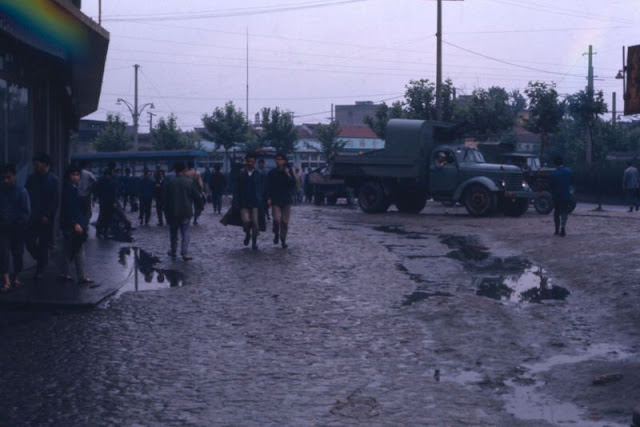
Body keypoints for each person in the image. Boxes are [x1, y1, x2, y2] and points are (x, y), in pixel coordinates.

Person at [25, 153, 59, 279]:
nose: (35, 166)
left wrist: (47, 215)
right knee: (29, 242)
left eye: (37, 163)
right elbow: (26, 196)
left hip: (46, 219)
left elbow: (54, 200)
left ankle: (40, 269)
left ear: (45, 164)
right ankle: (41, 260)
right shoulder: (31, 179)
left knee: (43, 244)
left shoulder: (53, 180)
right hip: (32, 216)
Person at [58, 164, 92, 284]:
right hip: (72, 224)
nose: (76, 177)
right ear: (68, 175)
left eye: (78, 175)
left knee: (69, 249)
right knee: (78, 250)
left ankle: (65, 273)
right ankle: (81, 276)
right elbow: (69, 208)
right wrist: (76, 223)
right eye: (74, 174)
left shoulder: (70, 187)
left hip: (70, 224)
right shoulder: (69, 189)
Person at [163, 161, 202, 261]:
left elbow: (165, 199)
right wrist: (200, 206)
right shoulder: (189, 182)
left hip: (173, 212)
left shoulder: (170, 183)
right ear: (184, 170)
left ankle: (173, 250)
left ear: (175, 170)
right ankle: (184, 252)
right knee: (185, 232)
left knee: (173, 232)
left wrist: (166, 212)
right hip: (186, 212)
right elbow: (197, 196)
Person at [0, 164, 30, 291]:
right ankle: (6, 280)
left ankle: (16, 277)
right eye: (3, 178)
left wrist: (19, 223)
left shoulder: (21, 191)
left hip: (17, 228)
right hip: (3, 228)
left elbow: (26, 211)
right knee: (3, 254)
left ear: (14, 176)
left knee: (17, 254)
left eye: (8, 177)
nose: (5, 180)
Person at [233, 152, 264, 250]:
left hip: (255, 202)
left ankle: (254, 242)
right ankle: (247, 233)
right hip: (243, 202)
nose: (250, 163)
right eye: (248, 161)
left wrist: (262, 200)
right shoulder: (241, 173)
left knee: (255, 223)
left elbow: (261, 188)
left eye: (252, 161)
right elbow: (236, 188)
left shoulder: (258, 174)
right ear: (246, 161)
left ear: (255, 162)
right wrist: (236, 200)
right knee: (246, 221)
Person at [266, 153, 296, 248]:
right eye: (277, 159)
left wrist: (288, 174)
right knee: (276, 219)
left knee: (285, 221)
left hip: (286, 199)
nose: (278, 161)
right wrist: (269, 197)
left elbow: (293, 184)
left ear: (284, 161)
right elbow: (268, 186)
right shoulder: (272, 173)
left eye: (280, 159)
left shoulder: (289, 172)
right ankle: (276, 233)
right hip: (275, 199)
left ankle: (283, 239)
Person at [550, 156, 573, 237]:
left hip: (557, 196)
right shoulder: (569, 172)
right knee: (564, 212)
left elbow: (551, 186)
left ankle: (556, 230)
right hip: (566, 195)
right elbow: (571, 184)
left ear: (555, 164)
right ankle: (563, 227)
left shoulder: (554, 173)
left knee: (556, 212)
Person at [94, 168, 118, 238]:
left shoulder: (100, 180)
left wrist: (97, 198)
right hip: (110, 201)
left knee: (102, 215)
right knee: (108, 216)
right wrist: (114, 202)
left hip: (102, 200)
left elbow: (96, 189)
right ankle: (105, 231)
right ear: (109, 174)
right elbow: (114, 192)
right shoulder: (112, 181)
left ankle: (99, 230)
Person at [184, 161, 205, 225]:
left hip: (187, 191)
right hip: (196, 191)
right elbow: (200, 184)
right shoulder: (197, 173)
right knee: (197, 206)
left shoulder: (185, 173)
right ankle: (195, 220)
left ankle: (187, 219)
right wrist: (201, 191)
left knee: (188, 205)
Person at [78, 160, 96, 224]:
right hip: (86, 195)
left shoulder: (77, 173)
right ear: (86, 166)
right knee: (87, 211)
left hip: (78, 195)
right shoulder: (89, 173)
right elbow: (95, 182)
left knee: (79, 210)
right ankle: (85, 223)